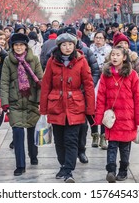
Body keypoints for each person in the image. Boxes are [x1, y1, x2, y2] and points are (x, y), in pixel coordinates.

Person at [40, 32, 95, 183]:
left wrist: (91, 109)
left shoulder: (81, 61)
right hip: (56, 105)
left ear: (75, 45)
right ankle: (63, 165)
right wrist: (43, 109)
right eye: (64, 45)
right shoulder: (52, 61)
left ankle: (69, 170)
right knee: (59, 141)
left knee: (71, 140)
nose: (67, 47)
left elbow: (89, 85)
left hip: (75, 105)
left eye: (70, 44)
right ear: (59, 46)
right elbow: (46, 85)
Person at [94, 47, 139, 183]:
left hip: (128, 117)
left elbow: (138, 98)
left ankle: (123, 170)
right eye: (112, 55)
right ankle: (111, 171)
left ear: (124, 57)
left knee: (125, 146)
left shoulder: (132, 75)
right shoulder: (106, 75)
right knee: (112, 145)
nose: (114, 57)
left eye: (117, 55)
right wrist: (98, 117)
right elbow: (101, 97)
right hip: (112, 118)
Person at [0, 33, 43, 176]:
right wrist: (5, 103)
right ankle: (20, 165)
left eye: (21, 45)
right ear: (12, 47)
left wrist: (39, 101)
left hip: (31, 102)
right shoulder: (8, 60)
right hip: (15, 103)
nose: (18, 47)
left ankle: (33, 155)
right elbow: (4, 82)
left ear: (26, 46)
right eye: (16, 45)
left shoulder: (34, 59)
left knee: (32, 133)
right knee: (17, 133)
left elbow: (40, 82)